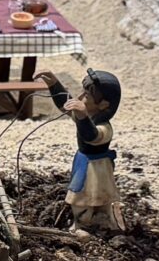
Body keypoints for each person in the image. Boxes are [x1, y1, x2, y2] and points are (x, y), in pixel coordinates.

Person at [37, 67, 124, 232]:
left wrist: (82, 116)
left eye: (87, 95)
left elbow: (91, 136)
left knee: (95, 196)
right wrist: (54, 84)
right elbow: (66, 105)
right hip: (84, 163)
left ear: (103, 104)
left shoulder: (104, 127)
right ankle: (83, 223)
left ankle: (103, 221)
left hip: (97, 167)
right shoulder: (85, 116)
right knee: (83, 197)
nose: (80, 97)